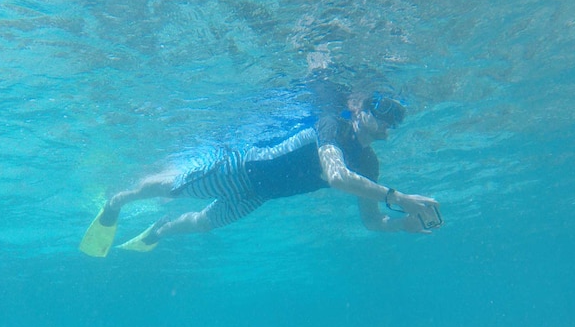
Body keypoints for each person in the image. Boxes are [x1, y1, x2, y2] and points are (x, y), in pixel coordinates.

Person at [79, 92, 442, 257]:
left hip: (257, 196)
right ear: (359, 107)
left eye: (393, 116)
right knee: (173, 187)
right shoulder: (333, 125)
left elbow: (372, 222)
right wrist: (399, 198)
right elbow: (335, 176)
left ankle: (158, 230)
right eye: (378, 106)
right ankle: (119, 201)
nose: (384, 118)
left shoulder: (370, 166)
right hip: (240, 168)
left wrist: (400, 224)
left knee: (202, 223)